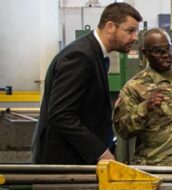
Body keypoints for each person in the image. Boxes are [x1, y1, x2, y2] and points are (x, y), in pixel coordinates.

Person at [32, 2, 142, 164]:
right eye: (130, 30)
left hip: (78, 159)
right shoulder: (80, 56)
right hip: (64, 163)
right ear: (110, 27)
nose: (135, 37)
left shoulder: (97, 56)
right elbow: (60, 115)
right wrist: (101, 152)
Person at [113, 28, 172, 165]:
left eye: (168, 49)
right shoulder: (134, 87)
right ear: (145, 53)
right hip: (156, 166)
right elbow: (123, 130)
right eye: (158, 51)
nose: (166, 55)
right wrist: (144, 108)